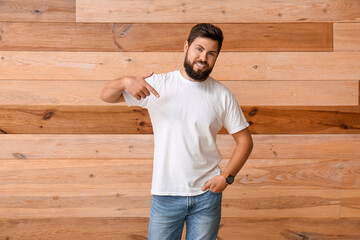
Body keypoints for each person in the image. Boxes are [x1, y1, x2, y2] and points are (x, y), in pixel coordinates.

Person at [100, 23, 253, 240]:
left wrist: (226, 178)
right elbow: (106, 96)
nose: (203, 58)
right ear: (186, 47)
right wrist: (125, 80)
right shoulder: (158, 85)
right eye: (199, 49)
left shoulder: (222, 95)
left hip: (207, 195)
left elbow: (245, 141)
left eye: (211, 53)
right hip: (166, 194)